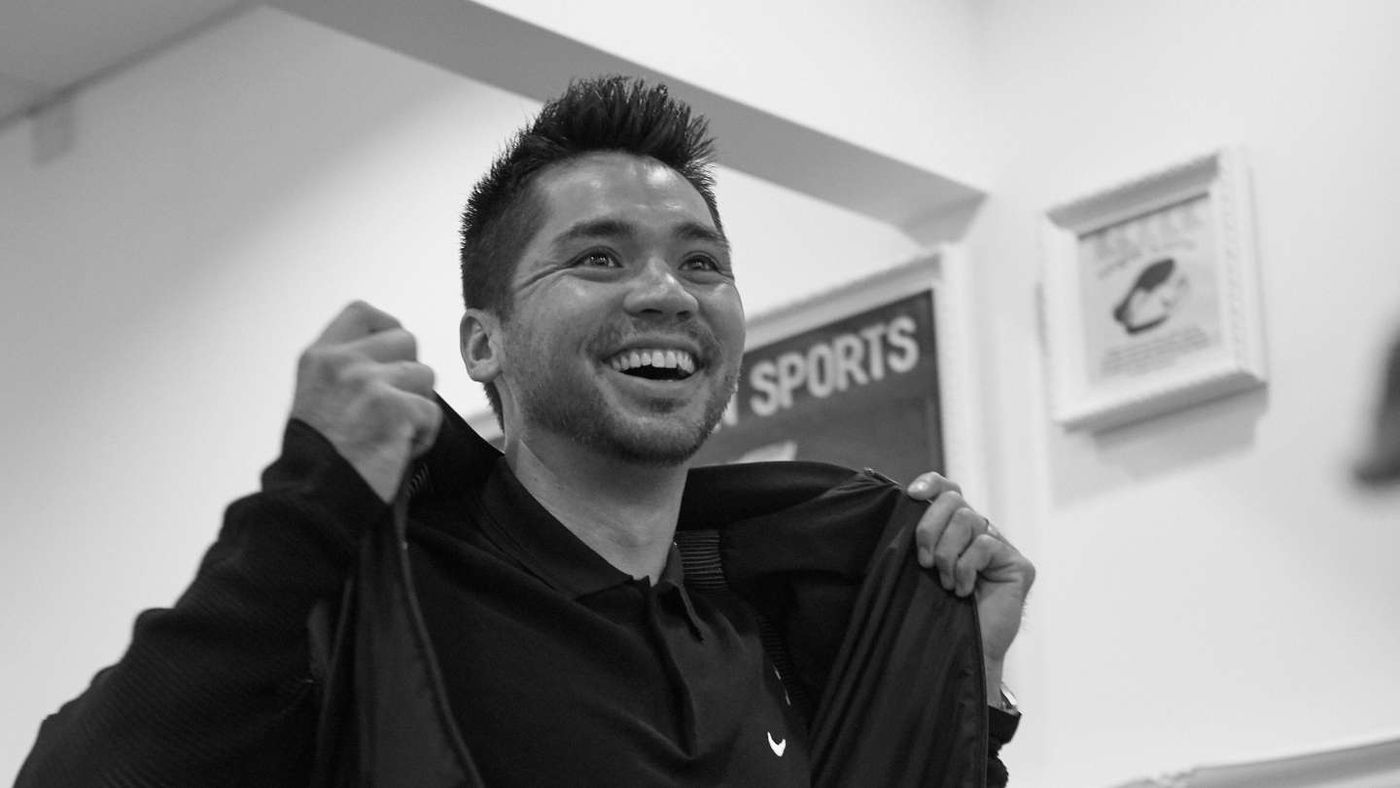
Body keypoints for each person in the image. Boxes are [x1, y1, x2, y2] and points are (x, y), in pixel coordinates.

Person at [17, 76, 1035, 786]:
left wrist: (964, 677)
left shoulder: (771, 627)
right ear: (483, 342)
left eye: (700, 263)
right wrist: (304, 504)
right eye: (597, 258)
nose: (665, 293)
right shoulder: (378, 614)